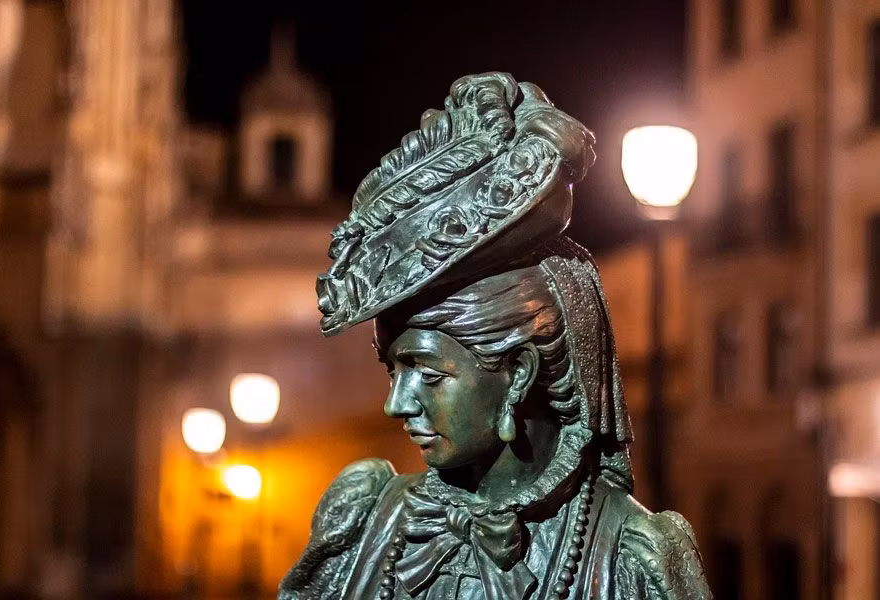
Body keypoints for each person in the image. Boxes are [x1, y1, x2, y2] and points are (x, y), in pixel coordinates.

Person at [279, 72, 712, 600]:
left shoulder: (630, 554)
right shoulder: (366, 522)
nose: (395, 404)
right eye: (393, 371)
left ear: (519, 374)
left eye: (427, 373)